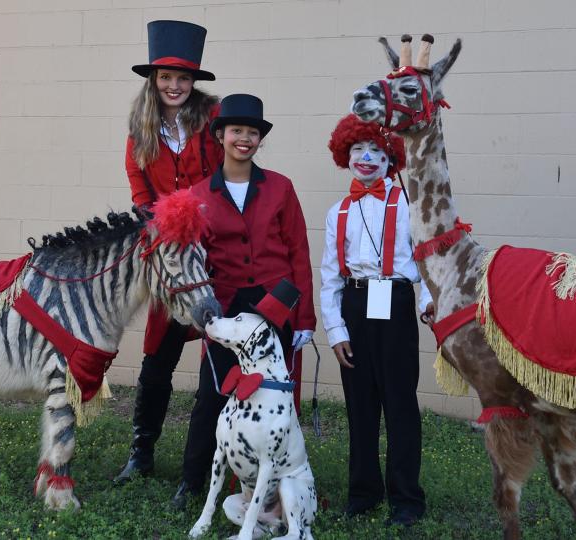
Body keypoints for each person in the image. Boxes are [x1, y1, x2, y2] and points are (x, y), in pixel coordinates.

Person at [171, 93, 316, 509]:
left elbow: (298, 253)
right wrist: (200, 313)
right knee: (212, 395)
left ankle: (271, 483)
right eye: (237, 131)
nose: (245, 139)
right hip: (227, 309)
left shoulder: (281, 188)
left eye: (252, 132)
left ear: (259, 140)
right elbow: (191, 261)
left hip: (276, 305)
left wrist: (303, 316)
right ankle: (191, 481)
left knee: (274, 398)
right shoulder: (197, 194)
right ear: (221, 135)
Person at [115, 19, 224, 484]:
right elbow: (141, 198)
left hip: (215, 251)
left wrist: (192, 211)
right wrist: (164, 228)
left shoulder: (214, 120)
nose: (174, 86)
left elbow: (225, 177)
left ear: (193, 82)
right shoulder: (139, 134)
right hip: (169, 261)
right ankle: (142, 451)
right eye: (165, 78)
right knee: (157, 358)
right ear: (153, 81)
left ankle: (214, 454)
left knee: (219, 355)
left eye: (183, 78)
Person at [319, 114, 434, 527]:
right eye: (357, 150)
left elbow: (423, 260)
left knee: (400, 404)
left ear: (390, 160)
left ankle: (406, 498)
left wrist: (426, 302)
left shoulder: (408, 203)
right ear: (344, 156)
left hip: (395, 303)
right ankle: (363, 492)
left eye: (376, 152)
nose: (366, 158)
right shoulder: (338, 212)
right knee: (360, 405)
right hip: (355, 306)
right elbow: (330, 275)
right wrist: (336, 330)